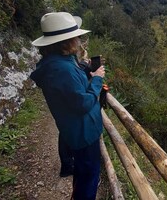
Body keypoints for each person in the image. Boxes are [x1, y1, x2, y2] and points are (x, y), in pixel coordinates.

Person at [30, 12, 105, 200]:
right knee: (89, 176)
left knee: (82, 172)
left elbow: (72, 81)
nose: (79, 40)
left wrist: (85, 67)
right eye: (76, 37)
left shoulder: (58, 62)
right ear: (66, 41)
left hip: (76, 131)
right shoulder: (62, 70)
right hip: (84, 133)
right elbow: (83, 103)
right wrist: (96, 80)